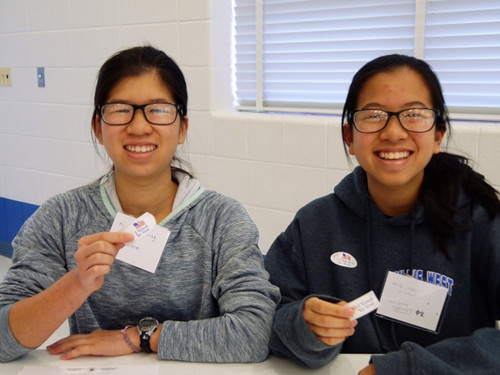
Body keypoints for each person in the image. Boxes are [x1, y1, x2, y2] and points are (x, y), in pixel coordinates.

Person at [0, 45, 279, 363]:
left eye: (158, 109)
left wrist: (139, 337)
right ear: (98, 128)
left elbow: (255, 333)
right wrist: (76, 284)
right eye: (120, 109)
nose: (138, 126)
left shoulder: (222, 220)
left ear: (182, 128)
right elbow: (2, 340)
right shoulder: (61, 217)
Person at [264, 54, 500, 374]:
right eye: (374, 115)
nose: (393, 132)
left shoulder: (480, 220)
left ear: (438, 135)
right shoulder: (315, 224)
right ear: (350, 137)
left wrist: (406, 368)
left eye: (413, 114)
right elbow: (265, 317)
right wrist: (303, 327)